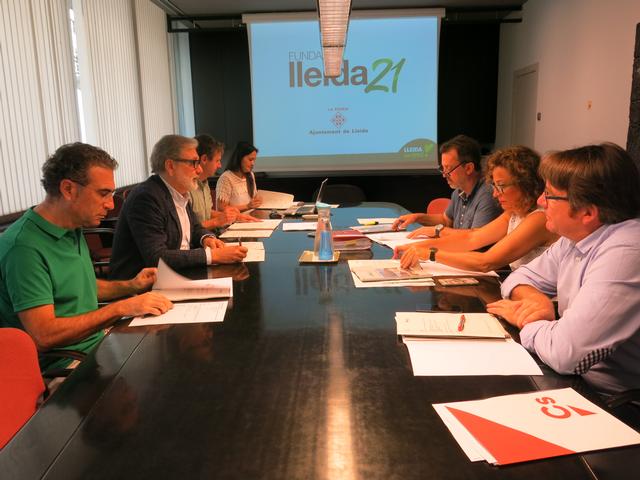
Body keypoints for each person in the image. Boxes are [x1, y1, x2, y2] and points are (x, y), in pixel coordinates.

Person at [0, 143, 173, 370]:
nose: (111, 204)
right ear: (68, 189)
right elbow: (44, 335)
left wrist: (131, 285)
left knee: (170, 353)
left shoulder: (71, 225)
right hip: (64, 366)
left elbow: (79, 287)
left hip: (96, 345)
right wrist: (120, 308)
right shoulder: (23, 247)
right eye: (103, 193)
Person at [487, 143, 640, 396]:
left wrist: (528, 320)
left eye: (549, 195)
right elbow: (520, 277)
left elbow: (565, 353)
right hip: (575, 381)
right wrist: (536, 301)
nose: (540, 201)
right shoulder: (575, 238)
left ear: (587, 212)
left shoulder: (627, 252)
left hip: (615, 403)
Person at [395, 145, 557, 273]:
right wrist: (417, 247)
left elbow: (486, 262)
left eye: (501, 186)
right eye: (494, 186)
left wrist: (430, 253)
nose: (495, 194)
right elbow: (472, 238)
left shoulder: (539, 218)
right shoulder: (514, 212)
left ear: (525, 183)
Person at [109, 135, 247, 280]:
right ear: (170, 166)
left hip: (177, 275)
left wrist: (207, 239)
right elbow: (157, 257)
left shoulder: (180, 192)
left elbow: (195, 228)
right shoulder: (146, 197)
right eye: (193, 163)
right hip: (142, 286)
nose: (199, 170)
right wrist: (212, 256)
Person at [392, 135, 501, 235]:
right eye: (442, 169)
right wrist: (417, 217)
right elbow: (446, 220)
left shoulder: (488, 195)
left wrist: (436, 231)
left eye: (448, 169)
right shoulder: (459, 192)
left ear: (468, 168)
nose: (444, 175)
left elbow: (474, 238)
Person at [189, 134, 258, 230]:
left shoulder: (204, 183)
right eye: (217, 161)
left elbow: (207, 212)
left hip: (207, 235)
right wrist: (218, 221)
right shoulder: (187, 187)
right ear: (204, 159)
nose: (220, 165)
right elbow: (188, 229)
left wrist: (235, 217)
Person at [215, 141, 263, 212]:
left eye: (254, 160)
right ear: (240, 158)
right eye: (250, 160)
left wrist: (257, 201)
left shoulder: (250, 175)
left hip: (249, 216)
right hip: (234, 218)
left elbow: (254, 198)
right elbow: (222, 208)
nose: (253, 163)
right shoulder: (226, 178)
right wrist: (247, 206)